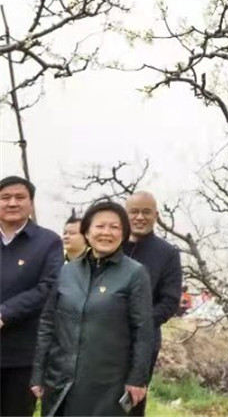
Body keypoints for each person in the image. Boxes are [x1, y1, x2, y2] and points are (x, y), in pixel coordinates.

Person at [30, 200, 154, 416]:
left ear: (123, 233)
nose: (106, 232)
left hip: (107, 385)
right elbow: (48, 324)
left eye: (114, 227)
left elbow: (143, 331)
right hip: (60, 380)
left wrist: (137, 378)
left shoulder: (135, 274)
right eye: (99, 226)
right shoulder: (67, 272)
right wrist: (38, 373)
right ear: (86, 232)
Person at [0, 176, 63, 417]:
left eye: (20, 197)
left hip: (24, 354)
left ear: (31, 203)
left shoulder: (48, 242)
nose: (12, 203)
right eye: (5, 197)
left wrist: (5, 313)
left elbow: (49, 286)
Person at [122, 191, 182, 416]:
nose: (139, 217)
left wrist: (138, 324)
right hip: (104, 339)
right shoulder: (111, 246)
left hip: (143, 341)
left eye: (146, 212)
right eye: (134, 212)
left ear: (156, 215)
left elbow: (169, 302)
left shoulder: (167, 253)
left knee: (131, 404)